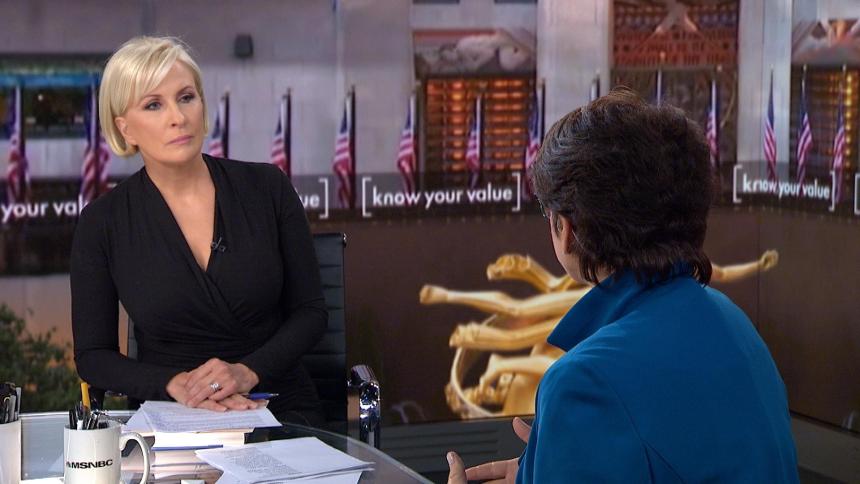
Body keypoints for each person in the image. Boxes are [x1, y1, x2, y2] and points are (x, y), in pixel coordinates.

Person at [447, 87, 799, 483]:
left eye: (548, 212)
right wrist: (552, 464)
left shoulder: (583, 383)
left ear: (568, 229)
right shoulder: (735, 324)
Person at [70, 36, 327, 426]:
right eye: (154, 105)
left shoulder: (267, 188)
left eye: (186, 97)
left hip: (277, 403)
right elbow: (93, 356)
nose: (178, 117)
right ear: (126, 129)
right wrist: (175, 384)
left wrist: (247, 372)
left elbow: (311, 313)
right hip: (173, 414)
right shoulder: (102, 223)